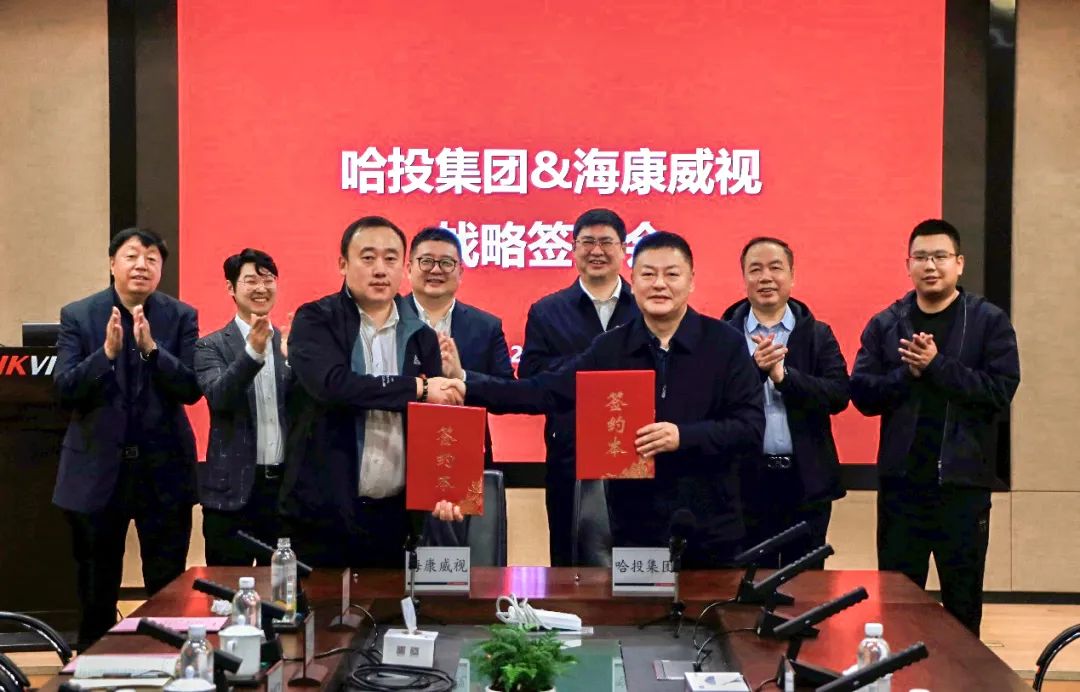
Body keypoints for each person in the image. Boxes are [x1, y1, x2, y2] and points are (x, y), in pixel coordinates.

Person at [462, 231, 764, 567]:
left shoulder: (725, 343)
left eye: (671, 274)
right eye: (648, 274)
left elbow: (750, 427)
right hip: (636, 527)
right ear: (633, 280)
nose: (659, 284)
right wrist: (464, 384)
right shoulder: (611, 347)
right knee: (632, 603)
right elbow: (544, 390)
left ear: (691, 281)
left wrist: (682, 436)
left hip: (712, 527)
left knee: (714, 603)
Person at [851, 218, 1020, 636]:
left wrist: (936, 366)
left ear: (959, 263)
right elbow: (863, 394)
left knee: (962, 607)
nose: (930, 266)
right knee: (896, 607)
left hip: (962, 490)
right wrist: (907, 375)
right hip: (901, 490)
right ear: (908, 265)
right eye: (921, 257)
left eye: (940, 256)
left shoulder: (988, 321)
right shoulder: (887, 323)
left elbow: (1000, 391)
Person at [279, 216, 464, 568]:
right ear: (343, 264)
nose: (380, 269)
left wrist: (444, 489)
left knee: (391, 602)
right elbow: (333, 385)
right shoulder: (316, 320)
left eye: (391, 258)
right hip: (321, 516)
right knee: (318, 604)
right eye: (368, 257)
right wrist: (419, 387)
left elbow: (435, 424)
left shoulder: (422, 336)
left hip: (394, 517)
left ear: (403, 268)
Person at [53, 228, 201, 650]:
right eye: (132, 256)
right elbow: (64, 390)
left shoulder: (180, 316)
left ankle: (166, 662)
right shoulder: (79, 315)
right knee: (96, 589)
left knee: (166, 587)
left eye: (152, 259)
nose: (142, 265)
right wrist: (106, 355)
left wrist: (153, 350)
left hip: (163, 471)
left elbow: (191, 388)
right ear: (112, 264)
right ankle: (92, 666)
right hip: (96, 472)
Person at [518, 208, 639, 566]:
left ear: (623, 250)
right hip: (570, 452)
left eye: (606, 242)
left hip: (638, 452)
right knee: (568, 556)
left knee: (637, 552)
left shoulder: (645, 307)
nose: (596, 251)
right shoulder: (547, 311)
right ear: (573, 249)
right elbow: (532, 376)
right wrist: (590, 368)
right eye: (587, 242)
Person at [721, 237, 849, 567]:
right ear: (744, 277)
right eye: (755, 269)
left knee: (805, 583)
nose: (766, 277)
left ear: (792, 276)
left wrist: (784, 377)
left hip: (805, 482)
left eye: (775, 268)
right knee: (749, 581)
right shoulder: (723, 336)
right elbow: (713, 402)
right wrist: (756, 371)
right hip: (745, 483)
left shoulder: (818, 334)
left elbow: (838, 395)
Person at [195, 248, 291, 565]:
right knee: (227, 589)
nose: (261, 288)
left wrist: (299, 362)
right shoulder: (210, 346)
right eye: (251, 280)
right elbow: (220, 396)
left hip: (282, 494)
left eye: (268, 279)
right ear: (231, 288)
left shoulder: (289, 344)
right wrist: (252, 354)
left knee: (281, 588)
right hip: (230, 496)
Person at [400, 226, 515, 467]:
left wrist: (462, 377)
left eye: (446, 263)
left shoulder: (486, 326)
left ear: (460, 271)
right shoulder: (387, 319)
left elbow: (508, 395)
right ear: (409, 268)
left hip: (464, 454)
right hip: (397, 453)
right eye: (426, 261)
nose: (436, 270)